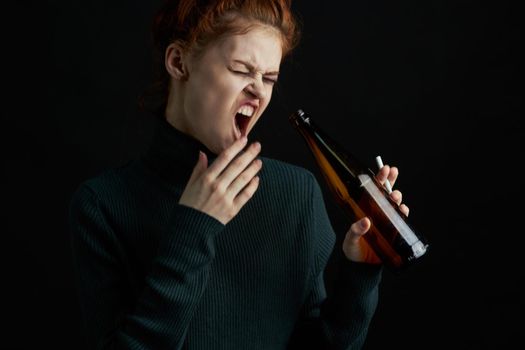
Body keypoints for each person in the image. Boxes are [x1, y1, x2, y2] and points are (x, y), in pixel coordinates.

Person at [68, 0, 410, 349]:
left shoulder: (296, 194)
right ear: (178, 62)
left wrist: (362, 274)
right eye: (241, 70)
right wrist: (193, 227)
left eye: (270, 78)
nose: (259, 90)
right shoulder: (103, 205)